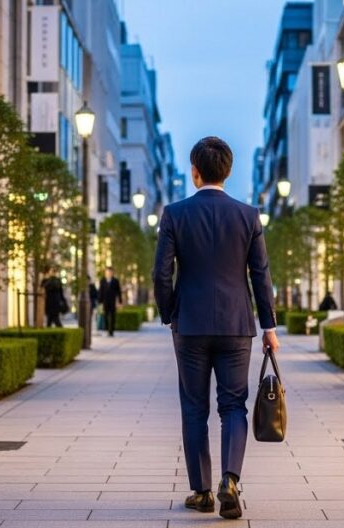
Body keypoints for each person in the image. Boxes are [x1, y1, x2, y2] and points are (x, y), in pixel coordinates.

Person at [153, 136, 278, 520]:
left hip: (190, 324)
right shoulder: (248, 215)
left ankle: (202, 492)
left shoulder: (175, 214)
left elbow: (161, 273)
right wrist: (269, 326)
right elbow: (261, 274)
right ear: (228, 171)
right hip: (236, 323)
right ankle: (231, 480)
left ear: (195, 172)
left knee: (194, 408)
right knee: (233, 405)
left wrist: (169, 313)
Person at [98, 267, 122, 337]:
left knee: (112, 316)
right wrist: (100, 302)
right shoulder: (102, 280)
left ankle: (111, 331)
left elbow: (119, 292)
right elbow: (100, 291)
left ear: (112, 273)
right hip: (105, 301)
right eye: (107, 272)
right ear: (105, 273)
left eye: (110, 272)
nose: (109, 273)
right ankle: (107, 329)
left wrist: (120, 301)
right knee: (105, 316)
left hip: (113, 301)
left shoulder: (115, 281)